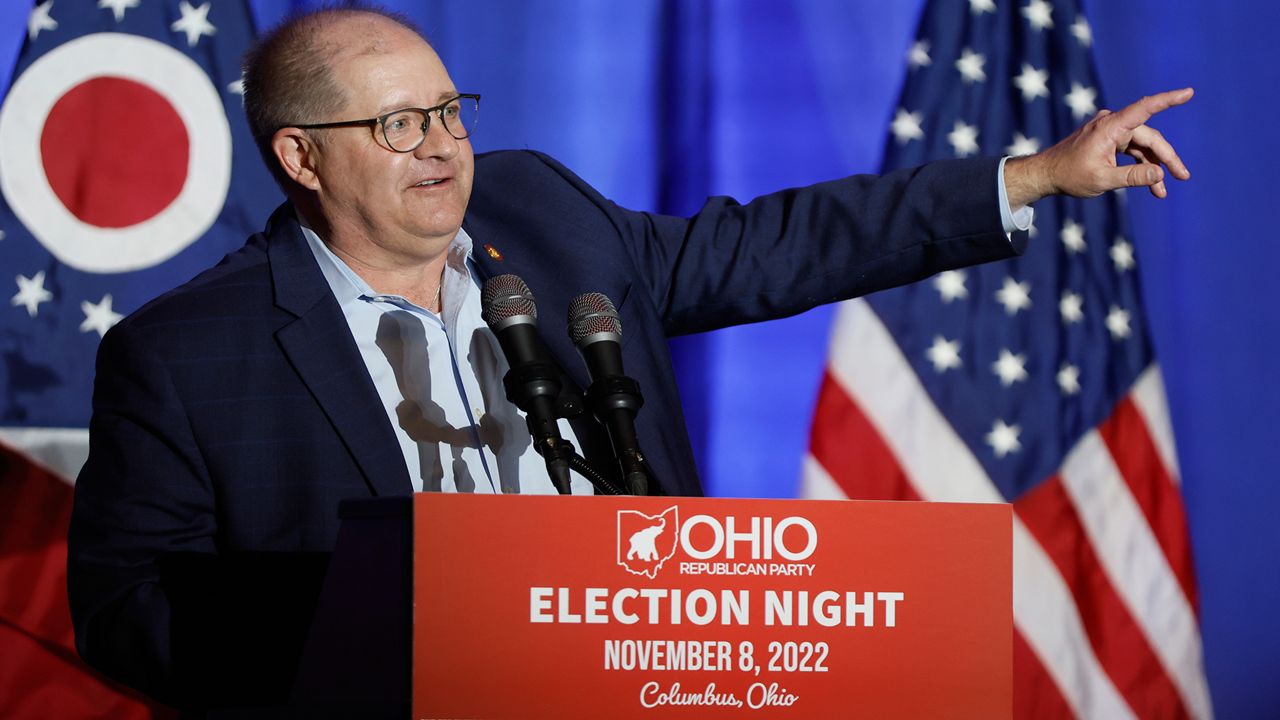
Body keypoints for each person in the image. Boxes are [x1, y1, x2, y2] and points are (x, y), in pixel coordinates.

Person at [67, 6, 1192, 708]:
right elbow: (129, 609)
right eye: (398, 126)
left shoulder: (547, 217)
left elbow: (774, 244)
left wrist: (1031, 177)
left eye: (450, 111)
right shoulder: (184, 354)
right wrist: (368, 641)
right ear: (301, 156)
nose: (445, 148)